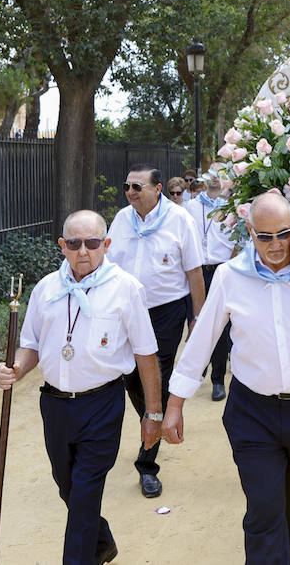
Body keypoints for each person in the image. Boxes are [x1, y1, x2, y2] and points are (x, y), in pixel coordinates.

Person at [162, 193, 290, 565]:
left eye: (283, 234)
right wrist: (175, 405)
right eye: (264, 236)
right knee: (264, 514)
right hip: (252, 414)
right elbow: (202, 339)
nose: (274, 246)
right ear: (250, 231)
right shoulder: (229, 275)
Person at [0, 210, 161, 565]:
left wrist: (153, 414)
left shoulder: (125, 288)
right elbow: (31, 346)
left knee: (85, 495)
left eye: (92, 243)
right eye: (74, 243)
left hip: (102, 404)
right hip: (55, 406)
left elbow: (147, 355)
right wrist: (15, 370)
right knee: (67, 486)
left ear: (106, 244)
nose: (82, 251)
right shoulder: (46, 288)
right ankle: (100, 541)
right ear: (62, 246)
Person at [105, 162, 206, 498]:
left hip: (166, 311)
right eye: (127, 187)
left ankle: (147, 465)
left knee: (156, 377)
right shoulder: (121, 220)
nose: (131, 192)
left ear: (158, 189)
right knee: (129, 377)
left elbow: (194, 273)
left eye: (138, 187)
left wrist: (198, 319)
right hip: (125, 311)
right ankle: (156, 420)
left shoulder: (181, 221)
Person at [194, 175, 235, 400]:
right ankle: (194, 370)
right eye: (210, 177)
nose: (215, 181)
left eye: (220, 177)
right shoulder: (191, 207)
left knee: (219, 327)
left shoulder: (232, 208)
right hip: (196, 271)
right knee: (196, 322)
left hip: (221, 269)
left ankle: (217, 379)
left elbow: (240, 240)